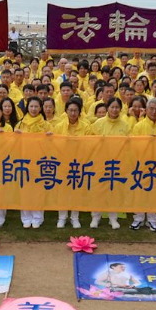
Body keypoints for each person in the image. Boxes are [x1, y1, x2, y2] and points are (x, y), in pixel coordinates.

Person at [129, 98, 156, 232]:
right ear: (146, 110)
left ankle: (153, 220)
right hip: (141, 164)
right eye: (151, 109)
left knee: (155, 193)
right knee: (140, 192)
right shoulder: (139, 126)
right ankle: (138, 218)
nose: (153, 111)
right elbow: (133, 146)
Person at [89, 97, 129, 230]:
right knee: (98, 190)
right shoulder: (98, 123)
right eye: (112, 107)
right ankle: (96, 217)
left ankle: (113, 218)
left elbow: (129, 144)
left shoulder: (125, 125)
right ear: (107, 108)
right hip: (100, 162)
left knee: (114, 190)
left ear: (120, 109)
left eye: (117, 107)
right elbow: (90, 142)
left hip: (117, 162)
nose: (114, 110)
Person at [15, 96, 52, 228]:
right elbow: (14, 144)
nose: (34, 109)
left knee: (38, 189)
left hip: (40, 161)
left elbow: (51, 144)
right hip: (23, 160)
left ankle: (37, 217)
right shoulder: (20, 124)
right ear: (27, 108)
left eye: (36, 106)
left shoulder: (46, 124)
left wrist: (49, 138)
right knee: (24, 190)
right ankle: (25, 217)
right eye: (31, 106)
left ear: (40, 108)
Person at [54, 99, 90, 229]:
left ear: (79, 112)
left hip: (79, 163)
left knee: (76, 190)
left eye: (75, 110)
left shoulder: (86, 126)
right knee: (62, 191)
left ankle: (75, 217)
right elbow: (54, 144)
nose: (73, 113)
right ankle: (62, 217)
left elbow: (89, 144)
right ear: (66, 111)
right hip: (63, 163)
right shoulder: (59, 126)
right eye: (70, 110)